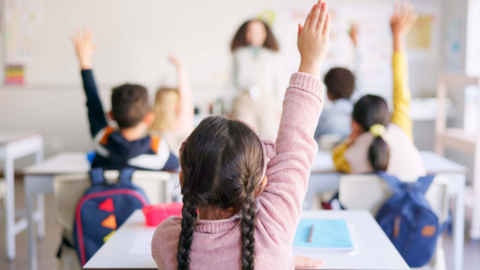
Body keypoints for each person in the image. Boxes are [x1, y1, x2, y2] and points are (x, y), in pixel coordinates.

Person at [151, 1, 330, 269]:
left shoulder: (166, 242)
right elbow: (295, 150)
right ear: (259, 186)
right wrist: (311, 60)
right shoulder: (274, 232)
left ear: (184, 178)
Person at [332, 1, 425, 176]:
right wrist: (398, 36)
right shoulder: (400, 129)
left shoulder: (349, 156)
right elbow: (401, 85)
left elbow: (335, 156)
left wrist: (349, 142)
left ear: (354, 124)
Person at [72, 29, 179, 171]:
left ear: (110, 115)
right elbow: (177, 168)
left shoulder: (102, 139)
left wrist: (84, 60)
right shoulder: (160, 151)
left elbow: (93, 100)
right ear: (149, 118)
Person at [226, 19, 285, 141]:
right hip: (244, 101)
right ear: (245, 34)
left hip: (267, 101)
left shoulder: (273, 55)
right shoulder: (238, 54)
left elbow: (279, 83)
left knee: (269, 136)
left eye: (259, 31)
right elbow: (231, 83)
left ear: (265, 34)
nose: (254, 34)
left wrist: (280, 108)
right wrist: (227, 107)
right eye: (250, 31)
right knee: (244, 137)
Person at [314, 23, 363, 141]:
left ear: (328, 92)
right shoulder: (358, 118)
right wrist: (355, 43)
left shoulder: (321, 118)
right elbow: (360, 70)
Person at [150, 55, 194, 156]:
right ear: (174, 104)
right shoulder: (181, 123)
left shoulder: (150, 126)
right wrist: (180, 66)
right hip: (179, 169)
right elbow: (186, 95)